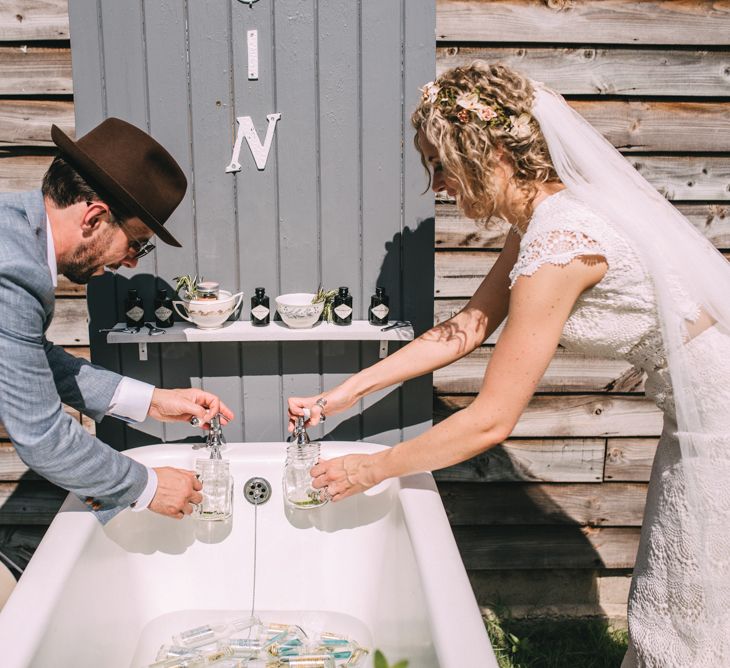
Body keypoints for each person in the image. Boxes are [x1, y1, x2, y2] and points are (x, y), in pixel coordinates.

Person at [288, 62, 730, 666]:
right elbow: (464, 329)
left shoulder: (561, 242)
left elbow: (491, 422)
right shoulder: (545, 219)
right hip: (700, 413)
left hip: (720, 425)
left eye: (439, 163)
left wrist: (375, 469)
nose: (436, 184)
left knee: (690, 611)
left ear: (485, 151)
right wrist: (345, 393)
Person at [0, 117, 234, 524]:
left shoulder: (15, 235)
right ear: (94, 218)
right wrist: (147, 486)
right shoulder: (14, 269)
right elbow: (41, 436)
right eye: (137, 244)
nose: (129, 262)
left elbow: (31, 358)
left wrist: (153, 401)